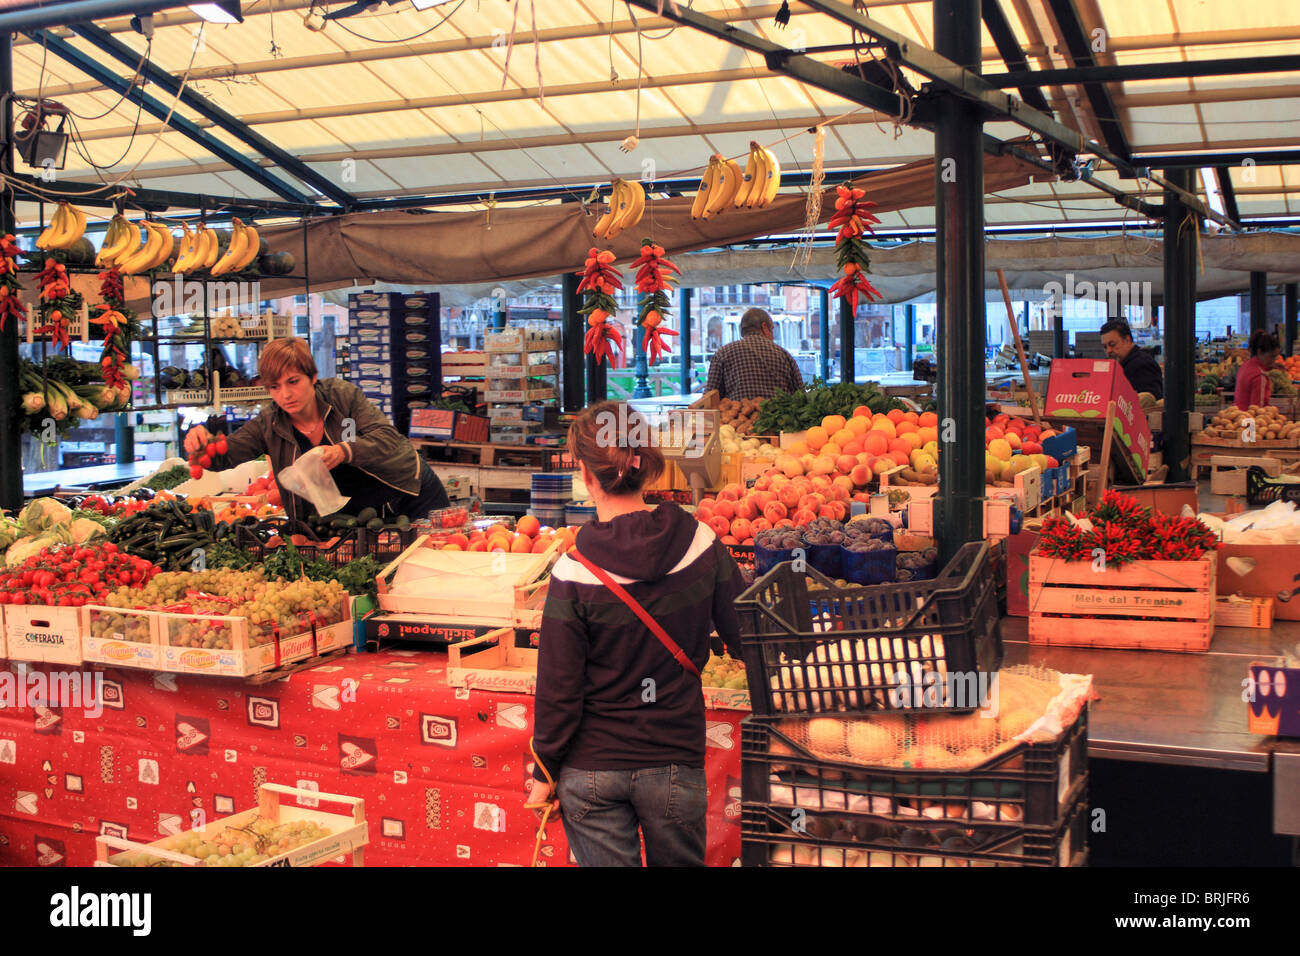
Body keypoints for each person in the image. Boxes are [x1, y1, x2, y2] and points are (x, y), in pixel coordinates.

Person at [525, 401, 746, 867]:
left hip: (591, 769)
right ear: (646, 463)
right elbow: (748, 636)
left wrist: (544, 767)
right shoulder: (701, 542)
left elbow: (559, 689)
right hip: (674, 762)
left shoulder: (573, 570)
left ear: (585, 474)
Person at [183, 337, 448, 522]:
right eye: (275, 387)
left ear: (312, 376)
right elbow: (226, 455)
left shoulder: (342, 397)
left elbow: (389, 440)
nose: (286, 395)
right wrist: (202, 445)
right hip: (361, 512)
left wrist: (344, 451)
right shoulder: (269, 424)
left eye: (293, 381)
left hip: (410, 494)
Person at [705, 307, 803, 401]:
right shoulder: (784, 355)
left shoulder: (722, 354)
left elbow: (708, 399)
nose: (773, 336)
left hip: (737, 416)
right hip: (778, 416)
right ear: (764, 327)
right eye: (772, 329)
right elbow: (800, 396)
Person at [1100, 318, 1163, 401]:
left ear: (1127, 340)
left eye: (1112, 344)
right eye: (1105, 347)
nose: (1108, 351)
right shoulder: (1117, 365)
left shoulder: (1143, 364)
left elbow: (1150, 403)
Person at [1234, 330, 1283, 410]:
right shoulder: (1260, 377)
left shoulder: (1245, 366)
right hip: (1250, 420)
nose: (1274, 361)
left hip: (1238, 416)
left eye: (1275, 357)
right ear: (1260, 351)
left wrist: (1269, 367)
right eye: (1271, 356)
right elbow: (1257, 410)